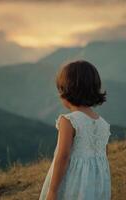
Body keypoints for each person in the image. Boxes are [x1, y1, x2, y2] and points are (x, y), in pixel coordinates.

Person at [39, 60, 112, 200]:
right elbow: (103, 157)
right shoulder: (103, 124)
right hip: (96, 186)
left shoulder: (69, 121)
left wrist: (53, 190)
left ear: (67, 92)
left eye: (60, 90)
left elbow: (63, 156)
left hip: (74, 184)